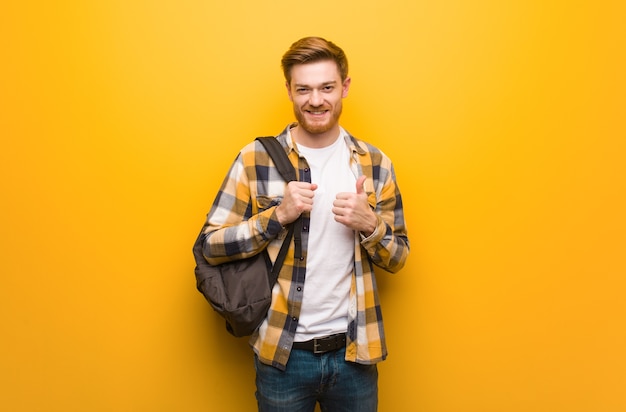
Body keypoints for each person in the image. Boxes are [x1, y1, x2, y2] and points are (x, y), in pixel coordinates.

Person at [198, 36, 409, 412]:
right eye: (304, 89)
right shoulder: (255, 159)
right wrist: (275, 217)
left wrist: (370, 224)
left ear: (344, 87)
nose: (315, 100)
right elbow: (211, 246)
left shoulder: (374, 164)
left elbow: (398, 258)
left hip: (354, 352)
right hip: (283, 354)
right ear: (289, 91)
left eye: (327, 87)